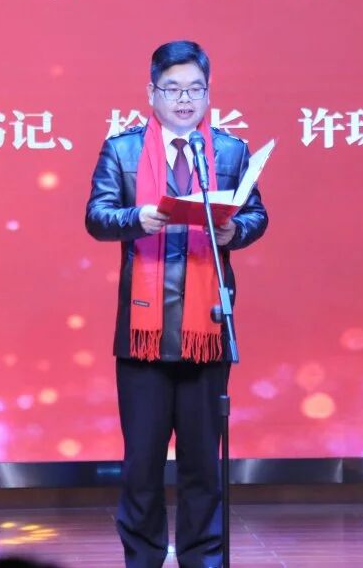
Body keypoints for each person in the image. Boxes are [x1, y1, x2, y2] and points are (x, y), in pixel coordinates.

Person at [85, 40, 268, 568]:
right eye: (173, 89)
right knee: (142, 465)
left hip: (208, 330)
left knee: (202, 465)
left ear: (208, 94)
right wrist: (136, 218)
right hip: (143, 335)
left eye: (195, 90)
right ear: (152, 93)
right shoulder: (122, 151)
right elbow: (96, 216)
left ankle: (202, 559)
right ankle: (142, 559)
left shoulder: (229, 152)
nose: (184, 100)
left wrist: (235, 231)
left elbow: (257, 216)